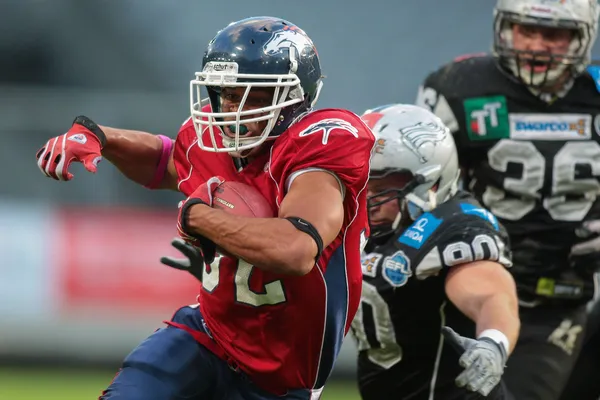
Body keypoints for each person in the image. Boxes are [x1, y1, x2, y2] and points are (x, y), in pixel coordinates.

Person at [35, 16, 375, 400]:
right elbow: (165, 161)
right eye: (227, 94)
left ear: (295, 98)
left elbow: (295, 249)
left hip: (281, 381)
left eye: (253, 95)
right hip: (206, 336)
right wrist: (103, 137)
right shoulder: (209, 137)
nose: (234, 108)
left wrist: (196, 217)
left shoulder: (323, 144)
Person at [415, 1, 600, 399]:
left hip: (557, 294)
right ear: (504, 28)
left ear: (582, 36)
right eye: (525, 30)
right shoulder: (461, 87)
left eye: (553, 34)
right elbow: (422, 187)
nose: (537, 44)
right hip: (472, 286)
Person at [350, 104, 519, 400]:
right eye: (362, 185)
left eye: (382, 187)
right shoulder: (359, 225)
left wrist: (493, 341)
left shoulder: (455, 225)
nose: (368, 201)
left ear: (431, 181)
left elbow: (490, 293)